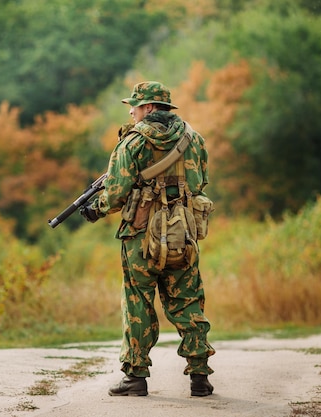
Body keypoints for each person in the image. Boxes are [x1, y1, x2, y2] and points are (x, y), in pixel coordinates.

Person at [79, 81, 215, 397]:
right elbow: (201, 181)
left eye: (135, 105)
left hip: (140, 238)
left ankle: (135, 378)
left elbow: (115, 194)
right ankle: (200, 377)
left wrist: (95, 210)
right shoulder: (194, 139)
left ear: (150, 108)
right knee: (188, 301)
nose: (131, 110)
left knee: (138, 302)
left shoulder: (132, 143)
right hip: (182, 234)